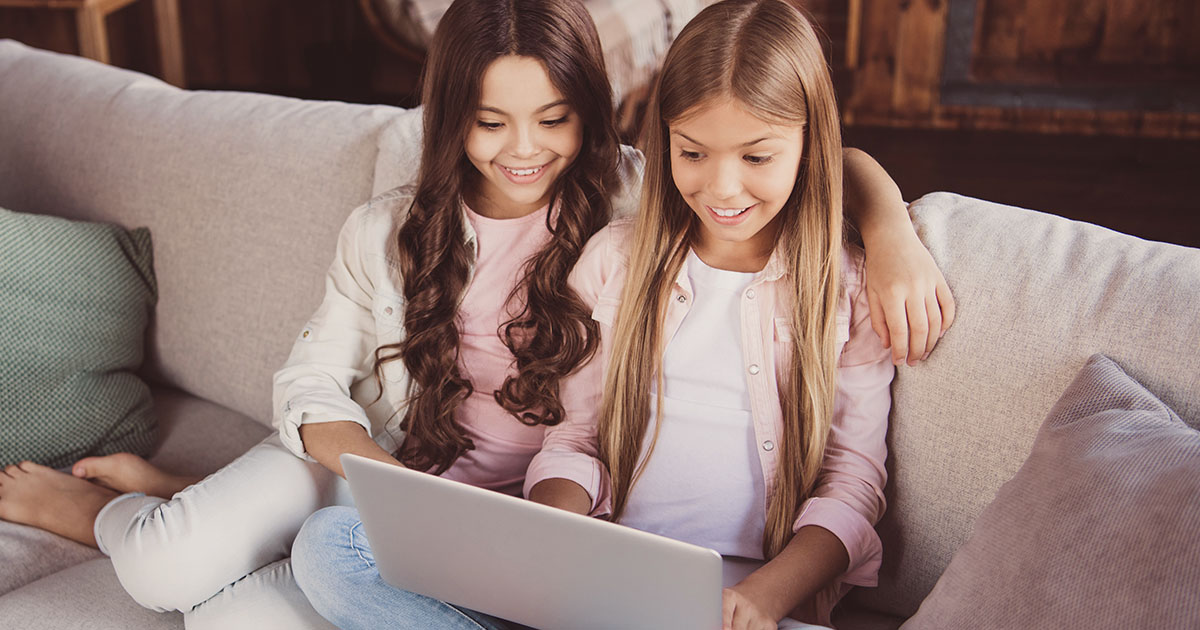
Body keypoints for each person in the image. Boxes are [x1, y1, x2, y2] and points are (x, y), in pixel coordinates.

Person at [0, 0, 947, 627]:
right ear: (446, 114)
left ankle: (188, 497)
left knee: (235, 614)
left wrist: (893, 232)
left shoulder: (637, 205)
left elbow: (792, 154)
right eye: (490, 122)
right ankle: (128, 509)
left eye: (552, 119)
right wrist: (404, 489)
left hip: (535, 532)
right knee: (196, 564)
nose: (522, 150)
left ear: (596, 116)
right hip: (375, 474)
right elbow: (315, 383)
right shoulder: (408, 233)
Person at [520, 1, 895, 628]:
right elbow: (576, 436)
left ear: (809, 145)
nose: (722, 188)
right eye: (692, 153)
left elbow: (852, 484)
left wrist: (765, 598)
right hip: (614, 577)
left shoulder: (847, 290)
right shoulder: (615, 260)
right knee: (339, 553)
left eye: (756, 157)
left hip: (759, 596)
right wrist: (553, 536)